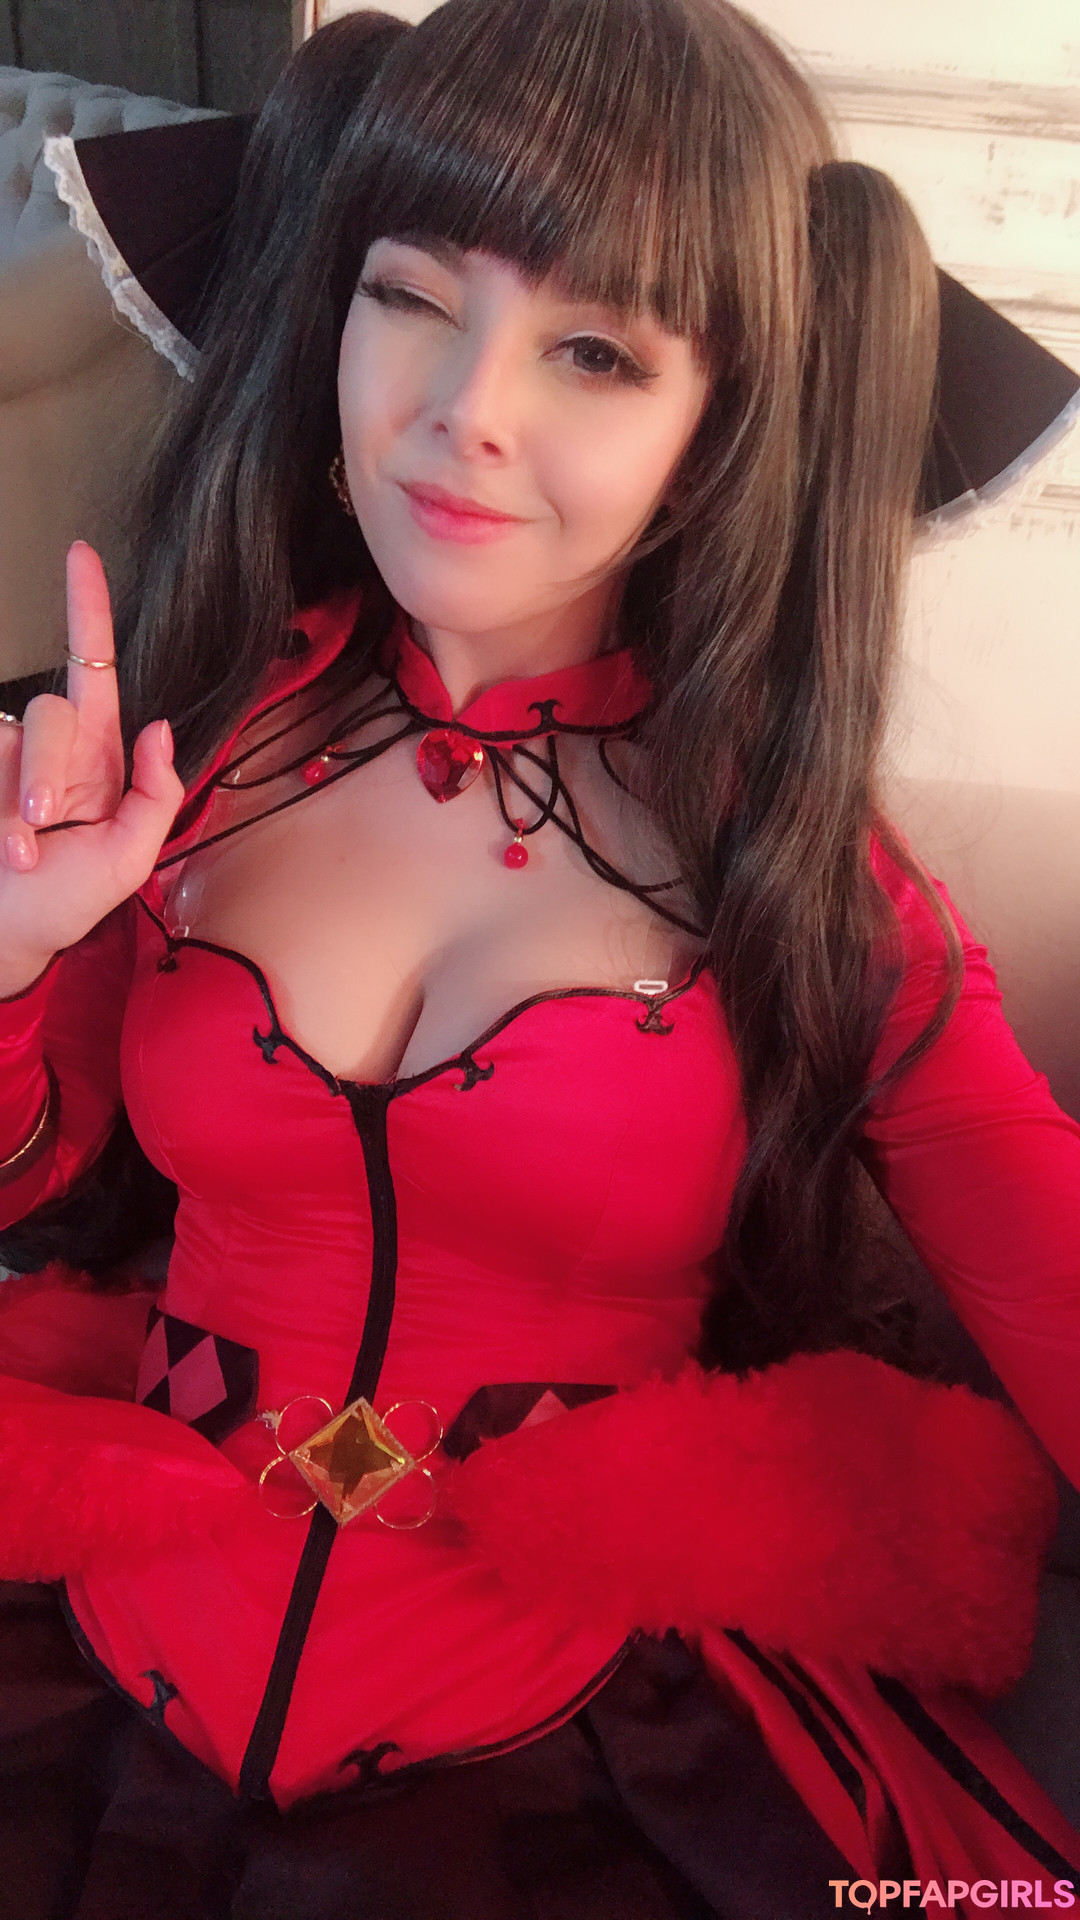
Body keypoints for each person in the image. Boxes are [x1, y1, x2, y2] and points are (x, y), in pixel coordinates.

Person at [0, 2, 1078, 1913]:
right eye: (411, 294)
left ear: (720, 422)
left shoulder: (794, 873)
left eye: (595, 350)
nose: (466, 408)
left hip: (602, 1736)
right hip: (103, 1629)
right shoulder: (176, 747)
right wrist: (12, 953)